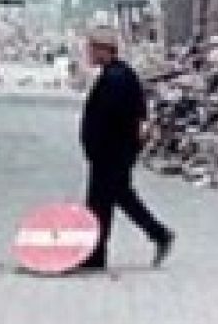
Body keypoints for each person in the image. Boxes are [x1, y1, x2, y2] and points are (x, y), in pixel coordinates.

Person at [78, 21, 174, 270]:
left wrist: (102, 147)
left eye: (91, 48)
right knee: (114, 199)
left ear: (104, 49)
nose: (88, 53)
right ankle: (156, 235)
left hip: (112, 153)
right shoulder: (116, 74)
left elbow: (112, 118)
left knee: (101, 203)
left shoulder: (116, 78)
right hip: (112, 153)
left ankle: (98, 255)